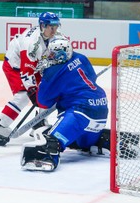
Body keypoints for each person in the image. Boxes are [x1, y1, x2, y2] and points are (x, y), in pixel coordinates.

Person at [20, 37, 109, 171]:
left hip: (79, 112)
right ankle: (105, 139)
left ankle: (46, 156)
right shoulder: (81, 57)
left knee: (52, 141)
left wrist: (41, 85)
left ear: (60, 53)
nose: (49, 56)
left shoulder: (53, 72)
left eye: (51, 53)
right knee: (81, 142)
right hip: (101, 107)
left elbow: (43, 102)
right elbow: (92, 77)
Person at [0, 12, 64, 147]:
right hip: (16, 66)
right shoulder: (31, 44)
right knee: (23, 96)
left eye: (56, 26)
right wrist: (32, 91)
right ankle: (1, 126)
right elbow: (26, 72)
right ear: (42, 26)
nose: (54, 30)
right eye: (51, 27)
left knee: (47, 89)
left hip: (36, 65)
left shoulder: (55, 35)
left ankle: (39, 122)